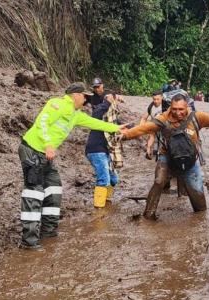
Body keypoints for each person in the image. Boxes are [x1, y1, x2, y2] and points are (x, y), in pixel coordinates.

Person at [18, 82, 127, 250]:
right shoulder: (58, 103)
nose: (86, 101)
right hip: (33, 150)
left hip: (46, 156)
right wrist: (48, 144)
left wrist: (116, 128)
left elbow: (95, 123)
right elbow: (43, 122)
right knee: (34, 193)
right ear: (75, 95)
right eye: (85, 97)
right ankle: (29, 241)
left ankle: (49, 233)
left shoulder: (76, 114)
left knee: (54, 190)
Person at [119, 94, 209, 219]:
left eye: (181, 109)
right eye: (174, 109)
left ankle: (199, 221)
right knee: (159, 181)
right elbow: (144, 128)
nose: (177, 112)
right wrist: (126, 135)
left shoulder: (197, 117)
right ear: (170, 106)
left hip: (190, 161)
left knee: (200, 206)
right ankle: (148, 215)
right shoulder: (163, 119)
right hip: (168, 158)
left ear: (187, 106)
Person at [85, 79, 126, 208]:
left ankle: (106, 201)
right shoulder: (99, 115)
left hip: (105, 150)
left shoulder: (112, 121)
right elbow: (96, 113)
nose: (97, 89)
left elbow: (123, 126)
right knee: (104, 179)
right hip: (96, 150)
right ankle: (99, 209)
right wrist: (107, 103)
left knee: (114, 179)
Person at [140, 90, 164, 159]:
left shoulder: (166, 105)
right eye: (154, 99)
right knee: (151, 135)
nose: (156, 101)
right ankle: (148, 150)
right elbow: (144, 118)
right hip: (155, 123)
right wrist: (141, 128)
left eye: (157, 99)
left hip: (165, 125)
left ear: (161, 97)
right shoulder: (151, 106)